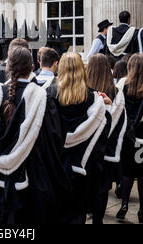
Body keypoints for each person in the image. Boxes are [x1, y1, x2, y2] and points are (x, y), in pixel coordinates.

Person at [0, 47, 71, 224]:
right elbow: (53, 141)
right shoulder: (41, 98)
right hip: (31, 175)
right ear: (32, 66)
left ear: (8, 67)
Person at [52, 53, 112, 224]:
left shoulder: (49, 95)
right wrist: (108, 106)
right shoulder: (94, 99)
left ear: (60, 68)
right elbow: (102, 134)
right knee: (78, 214)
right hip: (83, 166)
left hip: (57, 165)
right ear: (82, 69)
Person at [87, 54, 127, 224]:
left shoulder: (83, 90)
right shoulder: (116, 91)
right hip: (106, 149)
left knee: (87, 186)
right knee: (102, 188)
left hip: (86, 149)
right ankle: (98, 220)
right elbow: (117, 121)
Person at [116, 54, 143, 224]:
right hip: (142, 133)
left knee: (127, 171)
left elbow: (118, 107)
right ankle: (142, 209)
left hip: (126, 133)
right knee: (142, 173)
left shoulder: (122, 83)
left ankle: (124, 204)